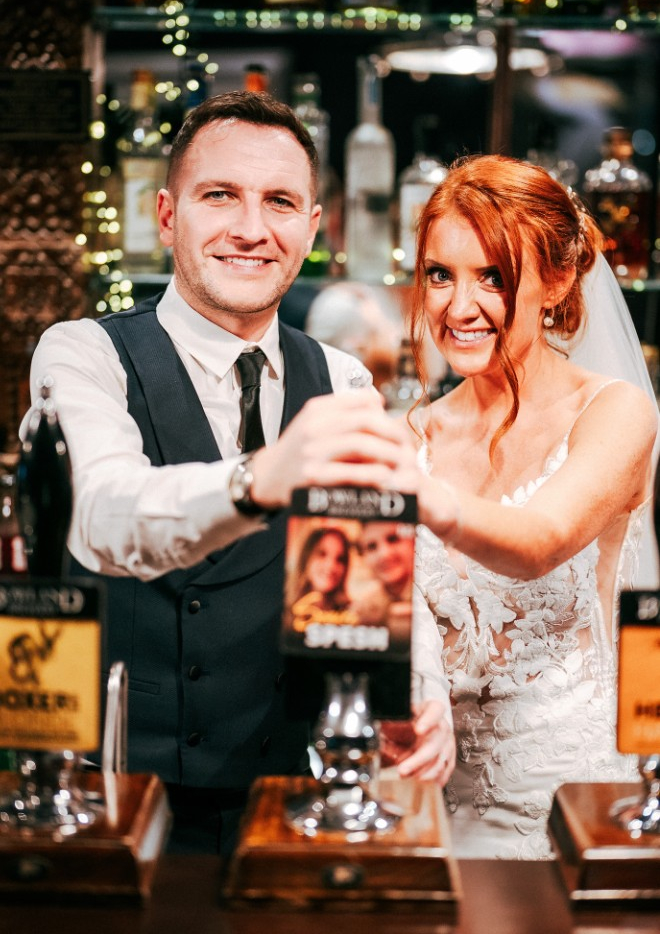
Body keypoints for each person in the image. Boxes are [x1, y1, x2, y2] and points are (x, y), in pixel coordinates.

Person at [21, 91, 454, 855]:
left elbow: (378, 565)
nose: (252, 230)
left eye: (280, 202)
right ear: (166, 214)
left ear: (313, 227)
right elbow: (100, 517)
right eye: (220, 195)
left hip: (296, 799)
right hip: (127, 802)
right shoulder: (83, 353)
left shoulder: (345, 377)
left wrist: (422, 692)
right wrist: (261, 476)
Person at [404, 154, 659, 859]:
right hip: (429, 800)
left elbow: (541, 538)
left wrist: (405, 491)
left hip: (561, 806)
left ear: (557, 280)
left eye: (493, 277)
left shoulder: (614, 413)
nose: (458, 308)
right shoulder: (415, 433)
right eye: (440, 275)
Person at [289, 526, 356, 631]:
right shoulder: (285, 611)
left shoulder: (352, 616)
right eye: (322, 554)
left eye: (340, 559)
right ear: (306, 558)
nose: (331, 565)